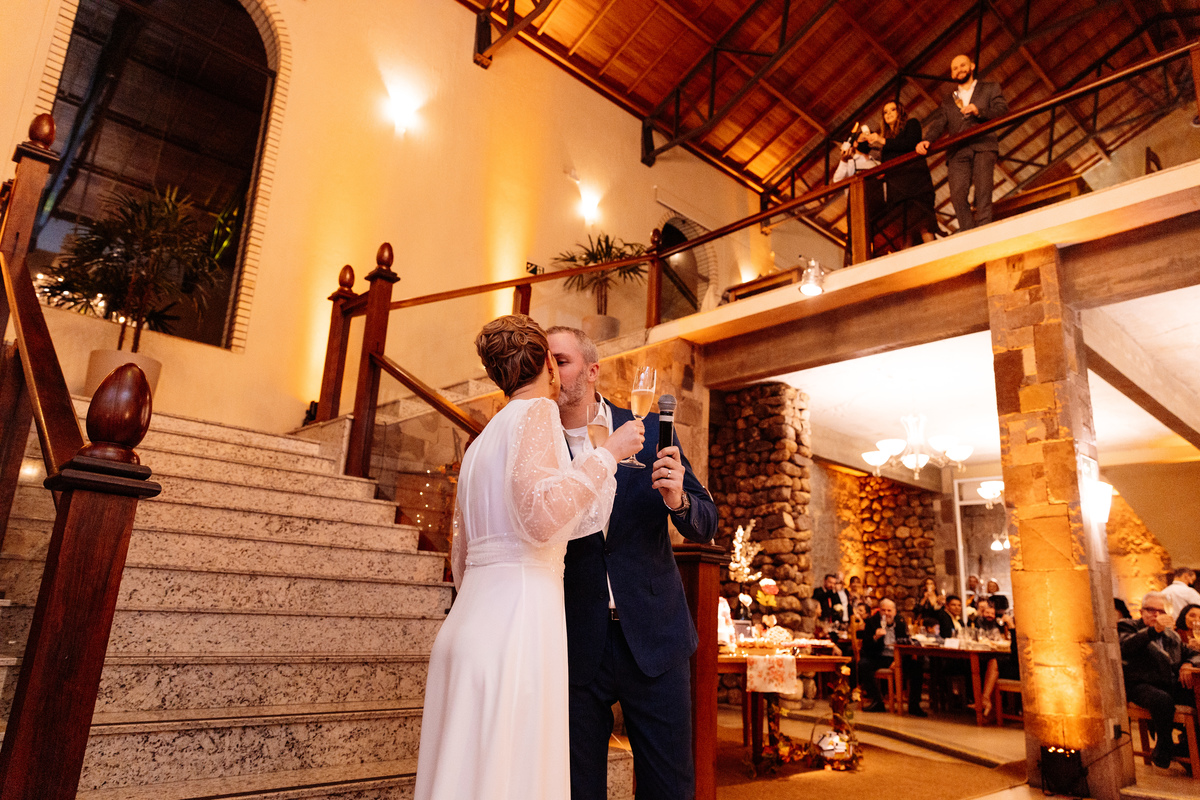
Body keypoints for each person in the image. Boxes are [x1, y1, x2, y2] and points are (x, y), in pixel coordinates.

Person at [414, 315, 645, 800]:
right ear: (545, 363)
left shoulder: (481, 441)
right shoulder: (537, 414)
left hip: (470, 623)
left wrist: (594, 468)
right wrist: (609, 456)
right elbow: (540, 518)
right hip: (518, 625)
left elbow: (462, 554)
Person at [548, 326, 718, 800]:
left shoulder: (645, 431)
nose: (551, 371)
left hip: (656, 637)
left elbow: (706, 522)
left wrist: (678, 498)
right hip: (576, 641)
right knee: (577, 789)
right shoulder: (537, 445)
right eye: (545, 361)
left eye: (561, 360)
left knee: (669, 787)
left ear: (592, 370)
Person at [916, 54, 1008, 231]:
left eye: (963, 65)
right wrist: (927, 140)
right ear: (952, 75)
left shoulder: (990, 88)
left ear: (972, 66)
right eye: (955, 68)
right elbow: (940, 123)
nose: (960, 70)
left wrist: (978, 111)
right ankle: (968, 232)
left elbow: (1002, 110)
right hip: (957, 151)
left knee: (983, 191)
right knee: (957, 195)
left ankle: (984, 231)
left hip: (983, 145)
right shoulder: (948, 100)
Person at [1120, 591, 1200, 768]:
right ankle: (1164, 747)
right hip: (1139, 684)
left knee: (1197, 695)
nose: (1156, 615)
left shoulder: (1172, 636)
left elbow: (1194, 654)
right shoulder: (1128, 626)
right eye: (1151, 610)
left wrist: (1187, 663)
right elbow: (1125, 646)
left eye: (1161, 611)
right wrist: (1152, 631)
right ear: (1142, 612)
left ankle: (1189, 746)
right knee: (1162, 700)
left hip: (1168, 684)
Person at [871, 100, 937, 246]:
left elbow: (910, 143)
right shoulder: (887, 142)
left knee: (924, 224)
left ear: (900, 111)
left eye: (892, 110)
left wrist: (881, 140)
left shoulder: (911, 124)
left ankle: (935, 257)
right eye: (885, 112)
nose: (888, 114)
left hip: (916, 184)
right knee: (904, 230)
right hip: (897, 191)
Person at [858, 598, 926, 716]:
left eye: (889, 611)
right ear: (879, 611)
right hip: (878, 656)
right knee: (863, 664)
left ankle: (914, 705)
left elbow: (905, 644)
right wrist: (875, 637)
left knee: (917, 666)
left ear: (894, 612)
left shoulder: (900, 622)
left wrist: (898, 660)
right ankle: (877, 701)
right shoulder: (872, 622)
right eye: (883, 610)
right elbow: (866, 646)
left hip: (897, 657)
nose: (886, 613)